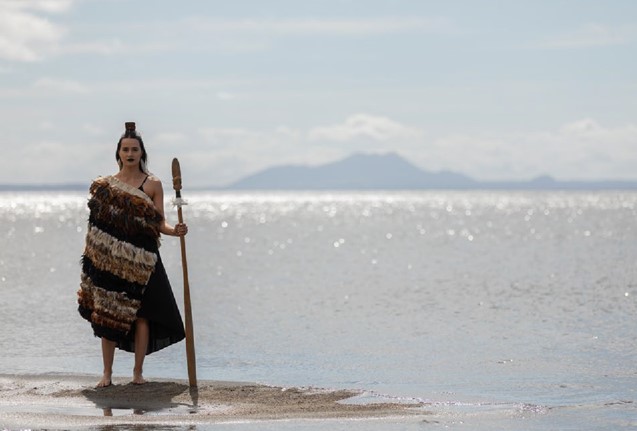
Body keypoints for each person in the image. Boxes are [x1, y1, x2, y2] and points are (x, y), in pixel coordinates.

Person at [77, 121, 188, 387]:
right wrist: (94, 261)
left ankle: (137, 373)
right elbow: (96, 228)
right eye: (125, 149)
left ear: (141, 153)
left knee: (142, 314)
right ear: (118, 153)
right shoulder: (106, 186)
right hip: (112, 263)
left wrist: (176, 230)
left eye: (134, 149)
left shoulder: (153, 184)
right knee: (109, 315)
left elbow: (159, 223)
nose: (130, 153)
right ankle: (107, 374)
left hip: (144, 260)